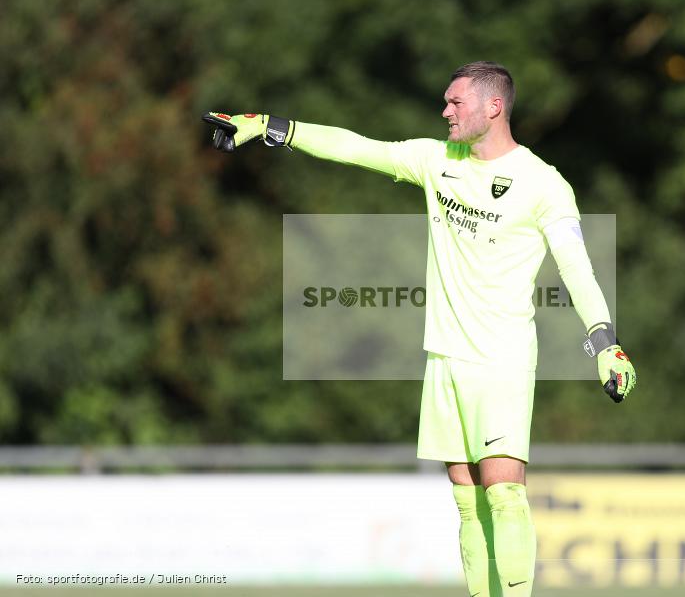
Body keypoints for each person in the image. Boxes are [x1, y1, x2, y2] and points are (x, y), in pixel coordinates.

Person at [204, 61, 636, 597]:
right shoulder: (437, 160)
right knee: (467, 501)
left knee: (504, 494)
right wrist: (274, 126)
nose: (445, 111)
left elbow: (576, 267)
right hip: (443, 357)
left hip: (500, 358)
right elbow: (358, 148)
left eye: (455, 102)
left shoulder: (545, 184)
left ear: (493, 106)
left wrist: (604, 342)